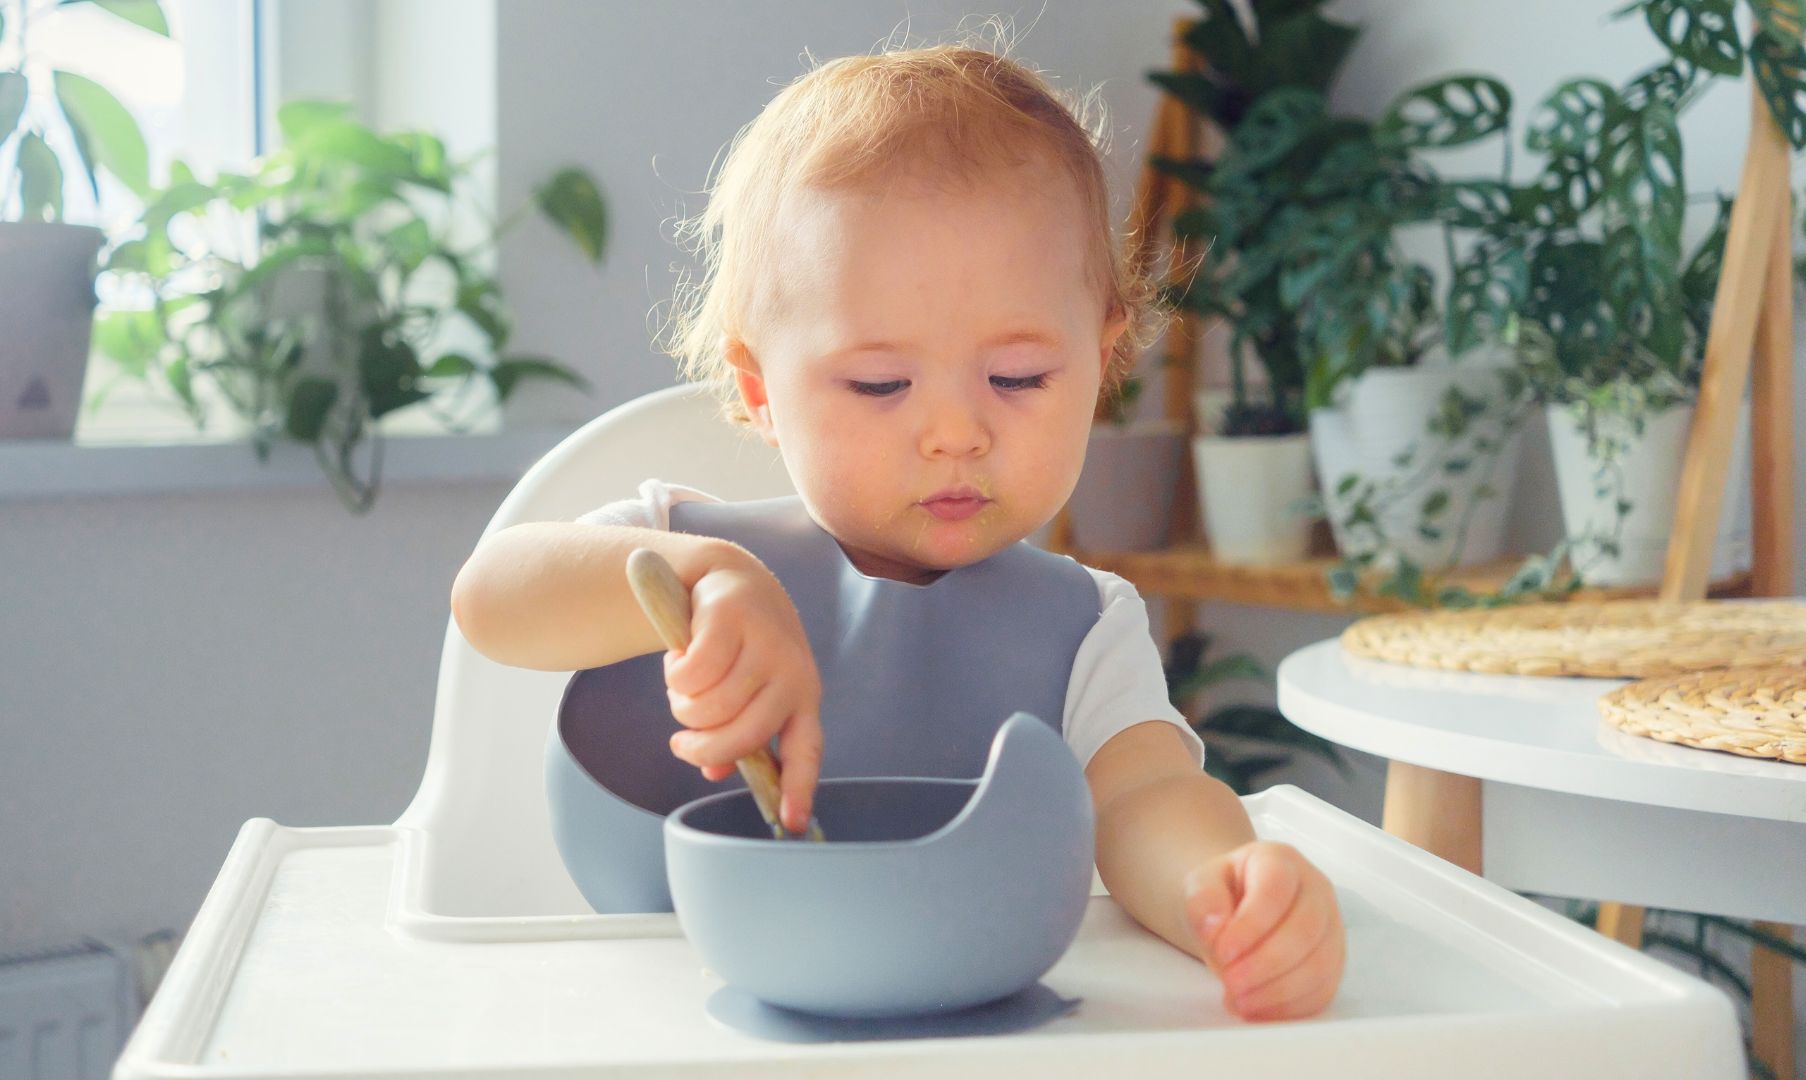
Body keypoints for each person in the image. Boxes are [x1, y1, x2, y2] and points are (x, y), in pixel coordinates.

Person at [452, 40, 1344, 1022]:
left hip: (969, 1032)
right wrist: (701, 578)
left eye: (1019, 378)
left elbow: (1141, 802)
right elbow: (491, 598)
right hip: (659, 1027)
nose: (957, 432)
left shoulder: (1083, 627)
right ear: (759, 392)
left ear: (1103, 356)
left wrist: (1223, 887)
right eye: (880, 385)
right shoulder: (671, 541)